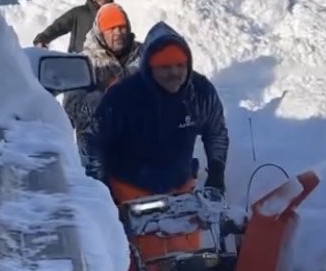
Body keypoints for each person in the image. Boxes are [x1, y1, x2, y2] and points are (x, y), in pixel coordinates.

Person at [83, 21, 228, 203]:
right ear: (149, 69)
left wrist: (216, 176)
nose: (174, 73)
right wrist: (102, 191)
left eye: (180, 65)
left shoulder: (199, 92)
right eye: (165, 67)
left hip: (180, 193)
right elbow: (93, 141)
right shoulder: (122, 96)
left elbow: (216, 133)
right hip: (128, 195)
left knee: (188, 231)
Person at [63, 3, 143, 153]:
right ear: (100, 32)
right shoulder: (84, 63)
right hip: (98, 155)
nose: (118, 32)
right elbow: (70, 111)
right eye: (111, 28)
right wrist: (104, 98)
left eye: (122, 27)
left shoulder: (145, 55)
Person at [33, 0, 113, 53]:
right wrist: (42, 38)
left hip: (107, 63)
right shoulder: (79, 13)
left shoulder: (114, 15)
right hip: (80, 61)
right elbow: (59, 25)